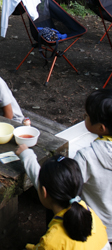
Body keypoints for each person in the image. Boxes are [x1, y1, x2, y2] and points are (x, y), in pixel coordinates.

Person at [17, 88, 112, 240]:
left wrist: (27, 156)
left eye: (86, 116)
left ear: (101, 127)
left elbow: (53, 186)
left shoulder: (88, 156)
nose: (84, 118)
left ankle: (52, 240)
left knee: (56, 203)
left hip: (95, 227)